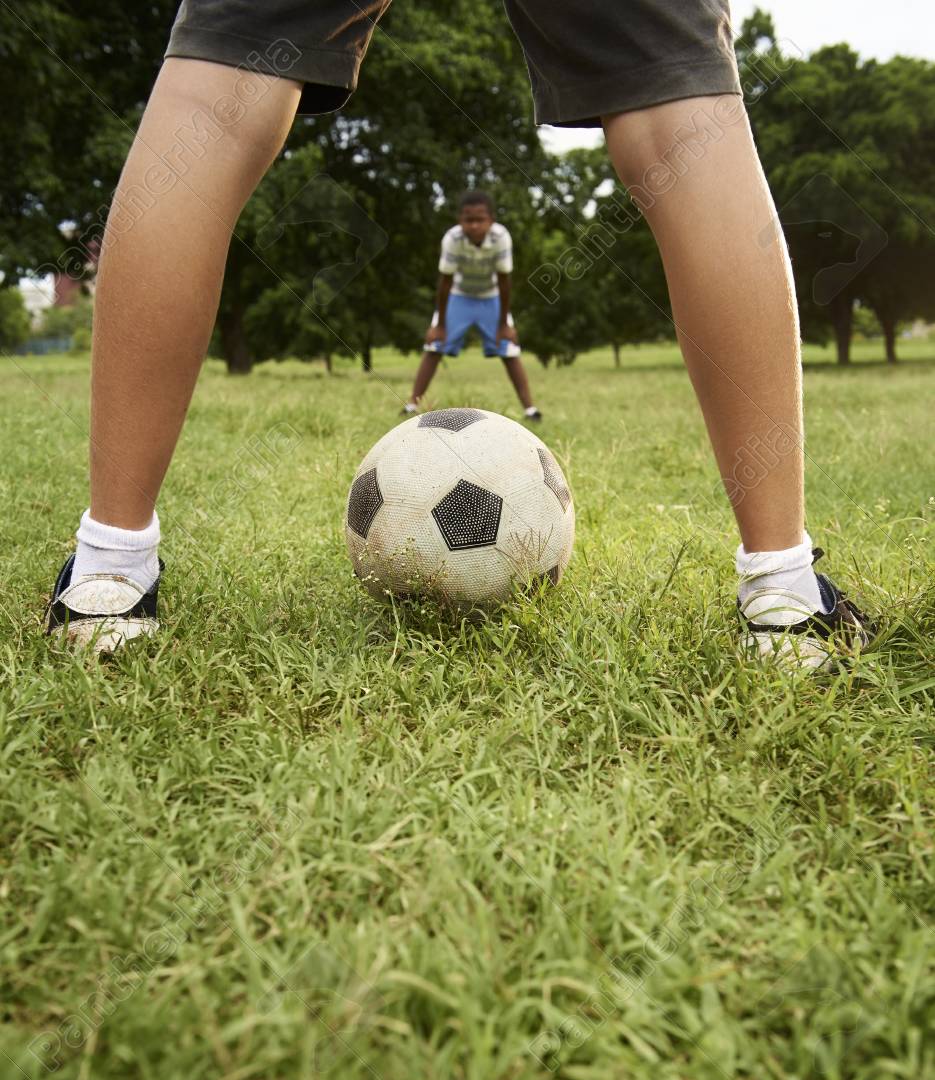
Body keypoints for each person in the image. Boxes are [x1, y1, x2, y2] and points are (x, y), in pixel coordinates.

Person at [45, 0, 872, 667]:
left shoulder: (497, 242)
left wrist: (501, 312)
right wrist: (450, 313)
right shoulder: (454, 243)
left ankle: (109, 573)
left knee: (218, 104)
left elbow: (500, 279)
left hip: (487, 304)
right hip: (463, 304)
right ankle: (783, 594)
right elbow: (450, 279)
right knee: (681, 124)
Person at [400, 189, 541, 421]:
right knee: (434, 346)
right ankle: (411, 405)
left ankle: (530, 409)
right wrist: (440, 325)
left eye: (480, 220)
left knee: (509, 348)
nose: (474, 225)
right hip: (459, 295)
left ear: (491, 220)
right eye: (468, 220)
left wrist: (504, 324)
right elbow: (445, 282)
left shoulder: (501, 237)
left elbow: (505, 281)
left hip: (492, 296)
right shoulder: (452, 239)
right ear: (460, 221)